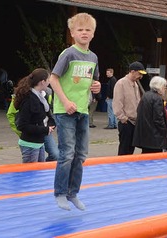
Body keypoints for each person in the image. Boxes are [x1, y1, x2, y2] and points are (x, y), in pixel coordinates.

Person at [48, 12, 102, 211]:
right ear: (72, 33)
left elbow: (94, 82)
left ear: (93, 33)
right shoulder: (68, 54)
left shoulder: (94, 57)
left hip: (83, 110)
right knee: (67, 153)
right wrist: (65, 101)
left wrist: (96, 87)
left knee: (81, 154)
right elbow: (53, 79)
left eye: (88, 30)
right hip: (65, 110)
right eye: (80, 30)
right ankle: (60, 192)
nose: (84, 33)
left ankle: (73, 192)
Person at [6, 87, 60, 162]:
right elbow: (11, 115)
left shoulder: (48, 93)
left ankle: (46, 169)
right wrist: (20, 131)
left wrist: (51, 125)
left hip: (45, 130)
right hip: (32, 133)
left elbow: (50, 112)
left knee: (55, 155)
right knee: (33, 163)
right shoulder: (25, 95)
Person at [13, 69, 56, 163]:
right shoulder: (29, 99)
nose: (49, 82)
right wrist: (45, 129)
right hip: (30, 144)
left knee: (40, 171)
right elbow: (22, 125)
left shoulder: (41, 97)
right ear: (42, 82)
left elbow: (45, 116)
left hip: (39, 142)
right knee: (31, 174)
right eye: (48, 80)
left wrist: (51, 124)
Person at [113, 61, 145, 155]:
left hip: (135, 122)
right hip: (126, 122)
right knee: (124, 149)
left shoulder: (136, 84)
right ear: (132, 71)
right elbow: (117, 103)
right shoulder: (121, 83)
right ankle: (121, 167)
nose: (140, 76)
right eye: (139, 73)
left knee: (131, 148)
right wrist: (123, 118)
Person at [133, 76, 167, 153]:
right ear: (159, 86)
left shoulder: (145, 95)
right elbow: (158, 118)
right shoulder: (157, 99)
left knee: (145, 156)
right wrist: (165, 131)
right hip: (154, 136)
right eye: (164, 86)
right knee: (154, 159)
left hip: (144, 134)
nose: (165, 89)